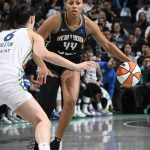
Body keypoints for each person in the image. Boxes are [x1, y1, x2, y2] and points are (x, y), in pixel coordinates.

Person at [0, 3, 97, 150]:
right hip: (9, 83)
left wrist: (43, 67)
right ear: (32, 20)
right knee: (42, 122)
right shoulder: (32, 35)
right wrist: (76, 66)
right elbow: (46, 54)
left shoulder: (1, 35)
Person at [36, 0, 131, 149]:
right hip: (52, 64)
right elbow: (35, 41)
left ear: (82, 6)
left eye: (78, 2)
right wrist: (40, 65)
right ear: (66, 4)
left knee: (71, 100)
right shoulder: (55, 20)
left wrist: (127, 61)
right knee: (46, 108)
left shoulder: (88, 24)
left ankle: (56, 142)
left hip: (72, 65)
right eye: (71, 2)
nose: (74, 5)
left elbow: (107, 45)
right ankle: (38, 142)